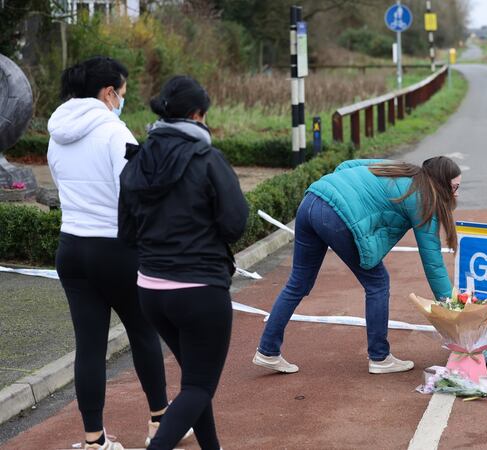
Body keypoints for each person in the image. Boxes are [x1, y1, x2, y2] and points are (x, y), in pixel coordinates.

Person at [118, 75, 248, 450]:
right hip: (200, 289)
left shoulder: (138, 159)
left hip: (151, 292)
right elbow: (235, 223)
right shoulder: (207, 159)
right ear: (197, 114)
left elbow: (126, 231)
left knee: (195, 380)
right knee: (198, 385)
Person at [47, 56, 171, 450]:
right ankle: (159, 423)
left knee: (89, 346)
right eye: (122, 92)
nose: (123, 99)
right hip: (115, 249)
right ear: (108, 92)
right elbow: (137, 194)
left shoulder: (56, 132)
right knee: (142, 332)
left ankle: (94, 440)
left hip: (71, 248)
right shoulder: (115, 133)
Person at [254, 156, 461, 374]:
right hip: (334, 216)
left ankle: (267, 350)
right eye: (454, 187)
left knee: (298, 283)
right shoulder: (423, 200)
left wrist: (341, 191)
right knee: (378, 283)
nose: (456, 194)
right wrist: (452, 309)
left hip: (312, 199)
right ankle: (379, 357)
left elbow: (346, 166)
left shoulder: (399, 167)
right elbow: (433, 263)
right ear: (439, 182)